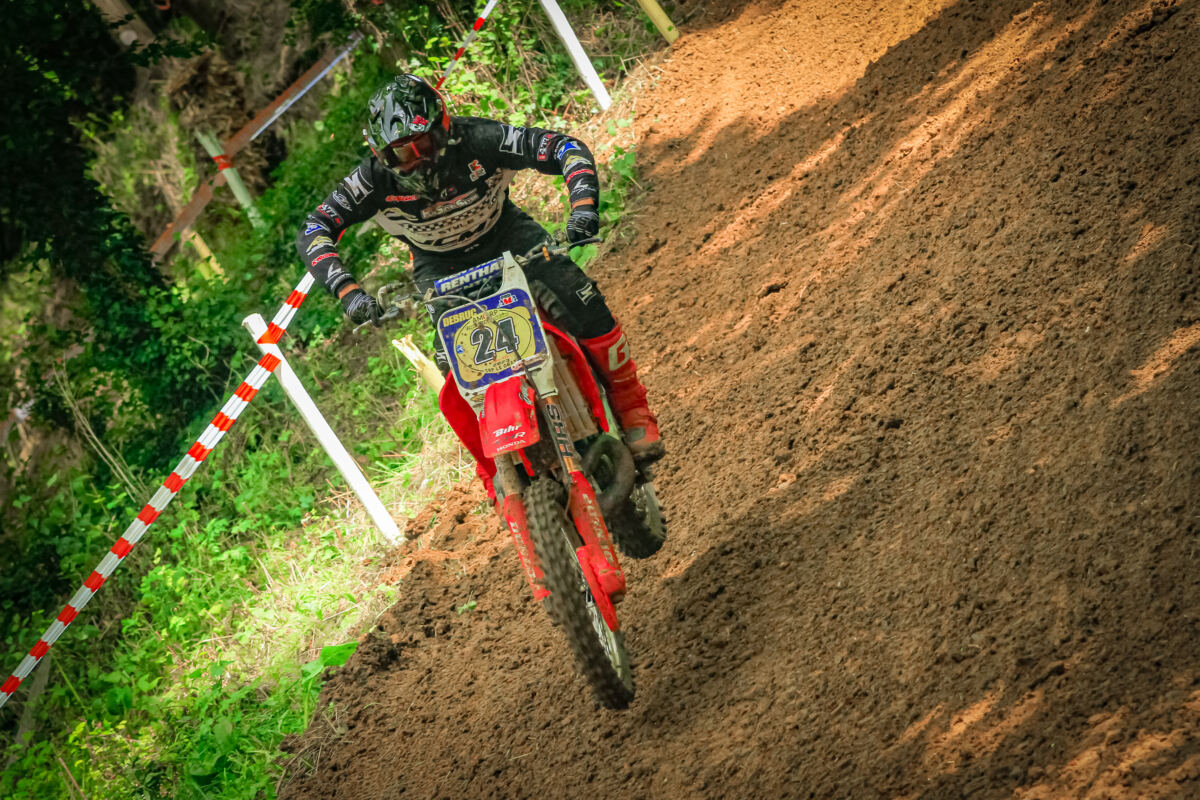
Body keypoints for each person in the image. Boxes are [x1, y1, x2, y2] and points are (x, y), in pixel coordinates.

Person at [295, 74, 664, 498]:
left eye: (423, 143)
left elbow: (565, 148)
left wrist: (583, 209)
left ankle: (632, 406)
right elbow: (314, 228)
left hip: (509, 238)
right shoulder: (372, 180)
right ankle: (495, 472)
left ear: (443, 127)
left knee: (579, 296)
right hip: (439, 267)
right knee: (454, 372)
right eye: (401, 153)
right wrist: (348, 291)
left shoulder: (480, 139)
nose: (415, 160)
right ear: (380, 153)